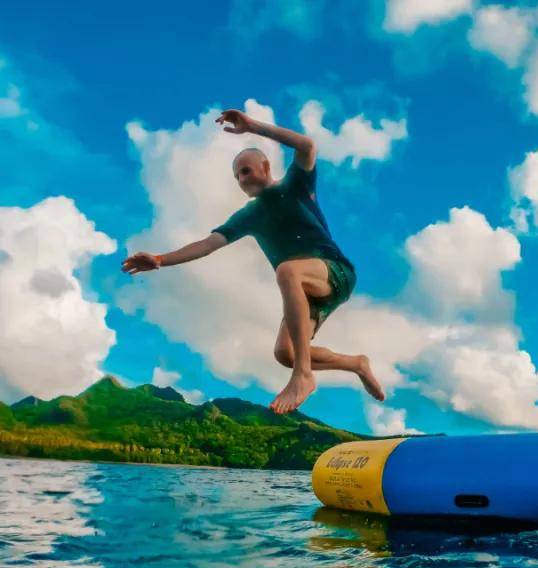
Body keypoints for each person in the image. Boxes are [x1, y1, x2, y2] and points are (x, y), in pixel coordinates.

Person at [121, 108, 385, 414]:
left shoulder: (294, 187)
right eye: (237, 177)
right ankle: (356, 364)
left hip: (333, 271)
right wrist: (159, 259)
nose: (242, 180)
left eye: (246, 171)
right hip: (306, 292)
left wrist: (253, 126)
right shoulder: (249, 215)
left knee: (288, 271)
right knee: (284, 352)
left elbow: (307, 146)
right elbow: (207, 245)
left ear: (265, 166)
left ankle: (303, 375)